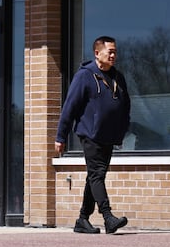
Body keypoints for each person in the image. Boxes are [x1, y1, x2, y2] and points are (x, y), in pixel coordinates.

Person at [55, 36, 131, 234]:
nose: (114, 55)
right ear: (97, 53)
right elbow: (69, 106)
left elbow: (125, 106)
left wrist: (121, 132)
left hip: (109, 135)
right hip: (90, 133)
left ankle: (82, 219)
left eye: (115, 52)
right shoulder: (85, 76)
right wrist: (60, 136)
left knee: (94, 176)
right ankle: (108, 217)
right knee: (97, 174)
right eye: (110, 52)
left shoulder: (118, 77)